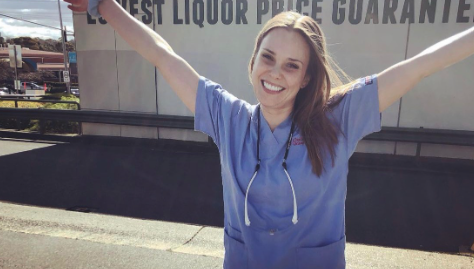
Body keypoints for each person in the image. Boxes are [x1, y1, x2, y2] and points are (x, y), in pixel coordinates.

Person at [64, 0, 474, 268]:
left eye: (292, 65)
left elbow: (422, 64)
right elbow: (160, 53)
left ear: (306, 76)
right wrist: (105, 5)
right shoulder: (228, 117)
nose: (276, 72)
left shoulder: (338, 119)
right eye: (269, 57)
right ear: (254, 59)